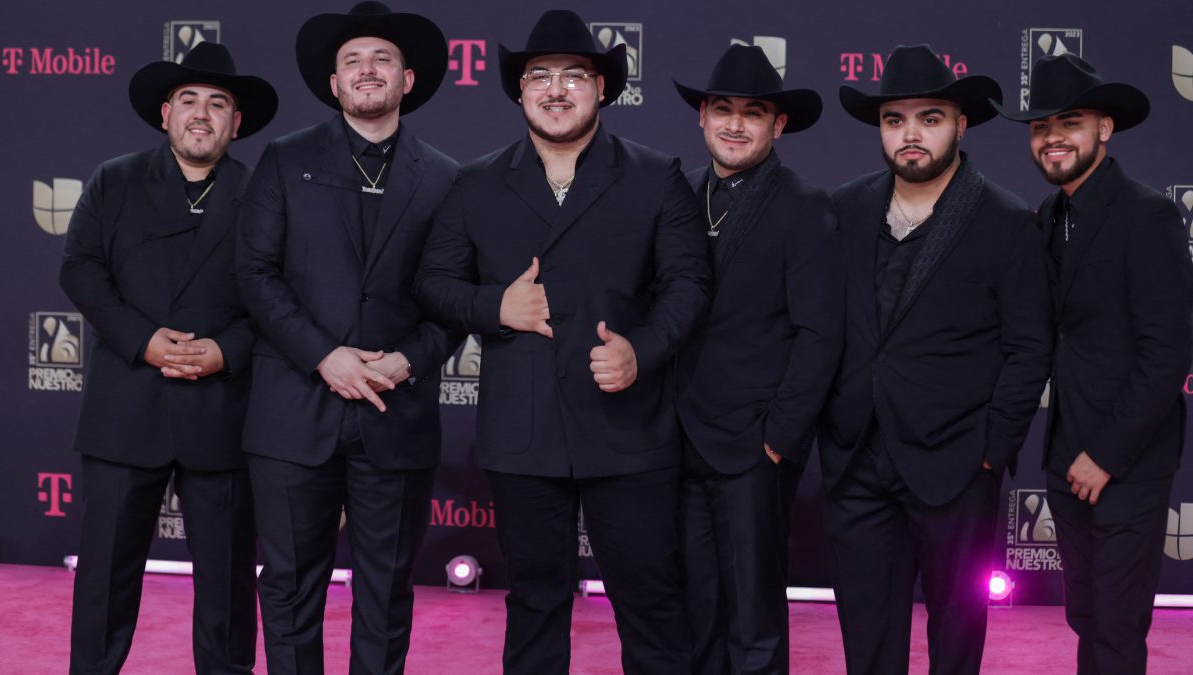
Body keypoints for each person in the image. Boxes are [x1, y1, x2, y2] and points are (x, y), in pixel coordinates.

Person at [414, 9, 710, 674]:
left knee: (651, 604)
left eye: (574, 75)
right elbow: (433, 283)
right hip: (523, 432)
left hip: (628, 428)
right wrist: (496, 305)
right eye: (538, 76)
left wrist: (644, 348)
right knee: (535, 604)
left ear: (602, 87)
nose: (555, 89)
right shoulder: (476, 182)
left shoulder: (654, 174)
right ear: (519, 91)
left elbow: (689, 284)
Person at [234, 2, 459, 672]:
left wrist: (406, 361)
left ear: (407, 79)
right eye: (353, 61)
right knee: (289, 586)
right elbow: (255, 272)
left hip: (396, 415)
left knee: (386, 591)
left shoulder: (447, 177)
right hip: (293, 414)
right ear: (333, 83)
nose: (367, 70)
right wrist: (322, 355)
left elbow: (452, 298)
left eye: (382, 59)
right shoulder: (284, 159)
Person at [820, 43, 1052, 674]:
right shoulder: (845, 208)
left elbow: (1029, 348)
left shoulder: (1005, 220)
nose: (911, 135)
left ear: (960, 124)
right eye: (895, 120)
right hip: (857, 460)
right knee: (866, 637)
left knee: (956, 636)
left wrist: (990, 450)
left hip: (957, 465)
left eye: (929, 118)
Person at [59, 41, 277, 674]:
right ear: (165, 114)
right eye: (188, 101)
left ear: (237, 123)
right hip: (126, 407)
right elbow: (80, 270)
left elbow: (277, 290)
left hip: (225, 411)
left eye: (218, 103)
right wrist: (143, 340)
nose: (201, 114)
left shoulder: (263, 193)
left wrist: (225, 351)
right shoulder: (115, 179)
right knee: (103, 576)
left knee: (229, 583)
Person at [994, 52, 1193, 675]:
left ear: (1103, 129)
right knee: (1085, 617)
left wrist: (1107, 453)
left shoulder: (1147, 214)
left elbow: (1168, 350)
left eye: (1070, 122)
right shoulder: (1048, 218)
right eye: (1040, 126)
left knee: (1115, 626)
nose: (1052, 137)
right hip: (1066, 455)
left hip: (1126, 457)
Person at [671, 44, 842, 675]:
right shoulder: (681, 195)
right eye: (723, 109)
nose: (735, 124)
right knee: (696, 611)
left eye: (752, 112)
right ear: (702, 117)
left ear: (779, 123)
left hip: (752, 451)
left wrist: (776, 441)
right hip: (679, 441)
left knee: (754, 618)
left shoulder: (804, 206)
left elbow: (820, 334)